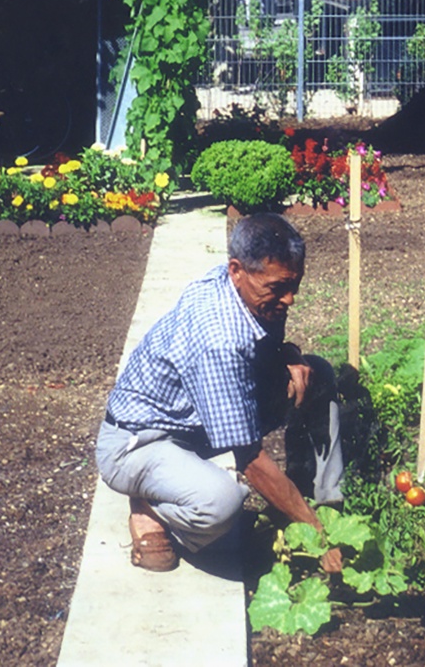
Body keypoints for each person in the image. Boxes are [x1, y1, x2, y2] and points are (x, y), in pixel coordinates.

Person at [96, 211, 345, 573]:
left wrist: (290, 355)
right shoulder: (217, 338)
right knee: (221, 502)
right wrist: (318, 537)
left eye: (295, 285)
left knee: (316, 372)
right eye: (278, 288)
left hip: (192, 423)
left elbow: (264, 348)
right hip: (139, 443)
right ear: (235, 270)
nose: (290, 299)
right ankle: (152, 509)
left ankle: (329, 504)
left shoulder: (252, 292)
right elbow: (249, 458)